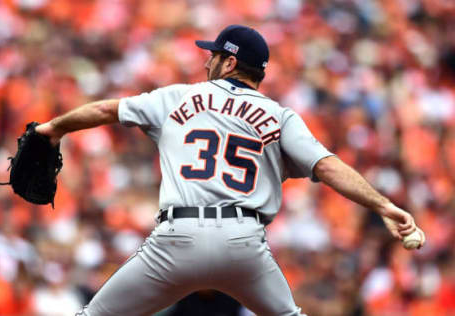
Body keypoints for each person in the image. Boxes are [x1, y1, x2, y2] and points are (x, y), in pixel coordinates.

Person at [35, 25, 425, 316]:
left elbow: (107, 110)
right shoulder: (280, 115)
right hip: (243, 243)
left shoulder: (178, 96)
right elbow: (328, 166)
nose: (207, 60)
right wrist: (383, 206)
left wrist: (53, 128)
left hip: (177, 239)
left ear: (231, 61)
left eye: (214, 55)